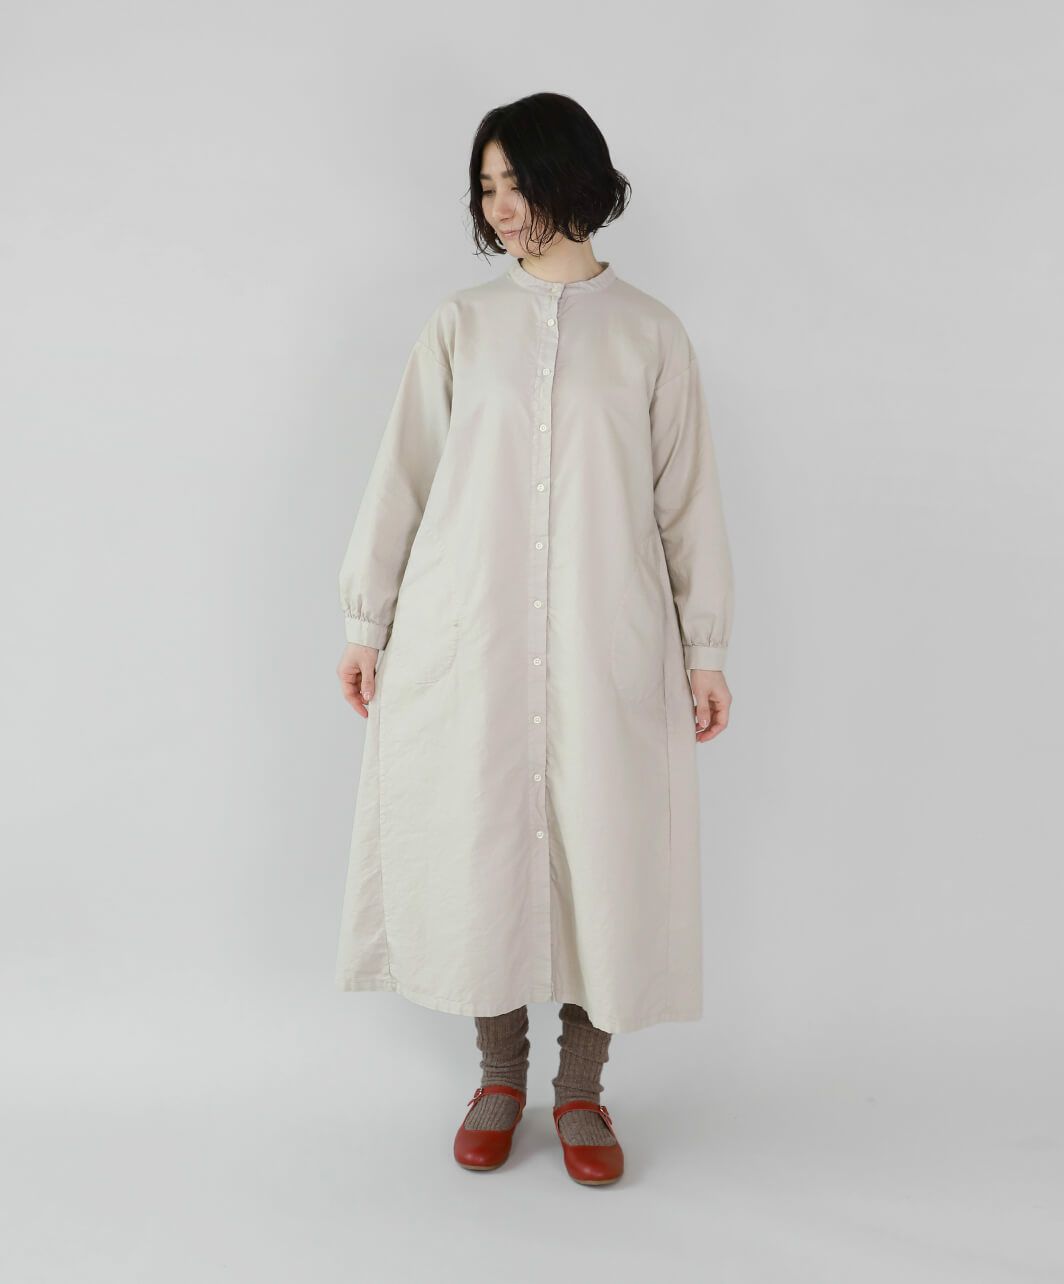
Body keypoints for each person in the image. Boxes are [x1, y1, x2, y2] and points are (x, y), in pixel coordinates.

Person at [334, 92, 734, 1187]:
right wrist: (367, 619)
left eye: (515, 182)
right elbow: (403, 475)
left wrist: (704, 649)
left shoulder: (649, 333)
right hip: (471, 632)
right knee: (487, 844)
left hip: (608, 638)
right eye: (486, 187)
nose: (499, 206)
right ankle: (499, 1075)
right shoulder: (461, 326)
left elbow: (686, 502)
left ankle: (583, 1090)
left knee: (602, 850)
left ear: (573, 177)